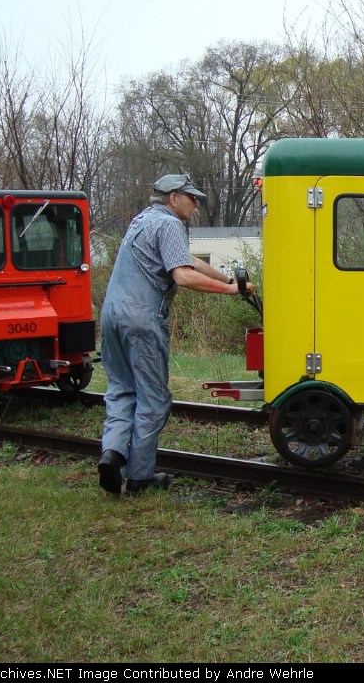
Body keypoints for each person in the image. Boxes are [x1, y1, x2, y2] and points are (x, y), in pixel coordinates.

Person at [97, 173, 254, 495]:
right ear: (173, 197)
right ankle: (139, 477)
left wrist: (229, 279)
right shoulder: (169, 224)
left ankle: (112, 453)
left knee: (121, 390)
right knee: (153, 399)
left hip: (111, 315)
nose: (196, 203)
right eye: (191, 197)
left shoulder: (141, 220)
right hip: (141, 320)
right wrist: (226, 291)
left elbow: (190, 260)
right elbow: (183, 275)